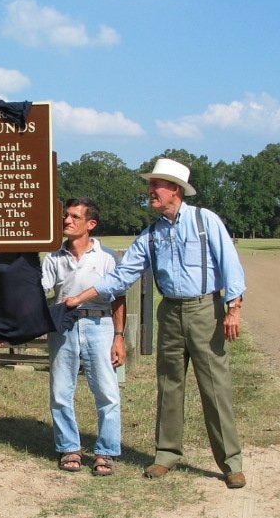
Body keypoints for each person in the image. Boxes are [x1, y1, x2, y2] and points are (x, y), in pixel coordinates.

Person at [64, 158, 248, 489]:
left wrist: (233, 307)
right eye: (150, 185)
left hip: (206, 309)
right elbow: (122, 276)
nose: (150, 191)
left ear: (175, 189)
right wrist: (82, 297)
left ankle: (231, 463)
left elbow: (229, 263)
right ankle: (166, 455)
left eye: (156, 185)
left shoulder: (205, 221)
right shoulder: (151, 234)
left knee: (215, 387)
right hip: (170, 312)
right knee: (169, 384)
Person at [41, 198, 127, 477]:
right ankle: (69, 448)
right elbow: (39, 291)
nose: (67, 221)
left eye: (75, 217)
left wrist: (119, 336)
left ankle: (106, 451)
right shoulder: (53, 258)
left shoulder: (107, 257)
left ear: (91, 224)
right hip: (64, 325)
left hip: (100, 324)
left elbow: (118, 298)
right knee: (61, 391)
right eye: (66, 216)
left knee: (107, 392)